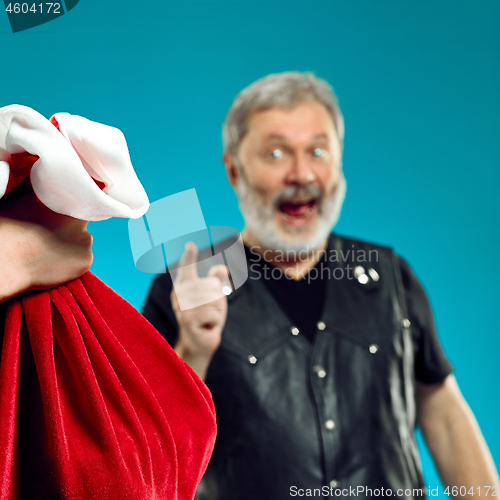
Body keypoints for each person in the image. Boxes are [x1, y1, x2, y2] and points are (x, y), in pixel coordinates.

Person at [143, 72, 499, 499]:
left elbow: (444, 414)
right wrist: (193, 352)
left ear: (339, 164)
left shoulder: (391, 276)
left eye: (318, 151)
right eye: (275, 153)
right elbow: (150, 453)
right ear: (234, 170)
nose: (301, 173)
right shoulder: (184, 287)